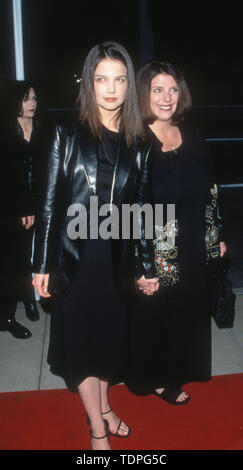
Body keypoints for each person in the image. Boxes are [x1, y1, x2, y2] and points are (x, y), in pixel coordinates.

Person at [32, 41, 158, 450]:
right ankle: (97, 430)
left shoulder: (137, 141)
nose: (111, 88)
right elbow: (48, 204)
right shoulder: (65, 133)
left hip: (114, 261)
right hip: (74, 261)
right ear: (89, 82)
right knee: (84, 347)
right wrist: (41, 265)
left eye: (120, 79)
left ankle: (104, 405)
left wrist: (146, 266)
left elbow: (141, 210)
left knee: (107, 343)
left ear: (128, 86)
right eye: (102, 79)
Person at [125, 61, 227, 404]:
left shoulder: (193, 134)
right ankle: (153, 379)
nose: (167, 97)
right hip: (158, 246)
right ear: (143, 93)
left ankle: (179, 369)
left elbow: (210, 188)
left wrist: (217, 236)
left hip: (196, 242)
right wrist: (141, 267)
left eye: (173, 89)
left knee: (187, 312)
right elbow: (128, 209)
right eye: (157, 90)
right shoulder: (135, 140)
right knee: (157, 317)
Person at [0, 81, 41, 339]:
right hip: (11, 205)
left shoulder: (41, 128)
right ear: (16, 101)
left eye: (35, 98)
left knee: (28, 256)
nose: (32, 103)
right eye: (26, 99)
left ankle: (28, 298)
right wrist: (24, 208)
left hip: (37, 203)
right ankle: (7, 317)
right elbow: (8, 176)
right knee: (10, 260)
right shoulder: (5, 130)